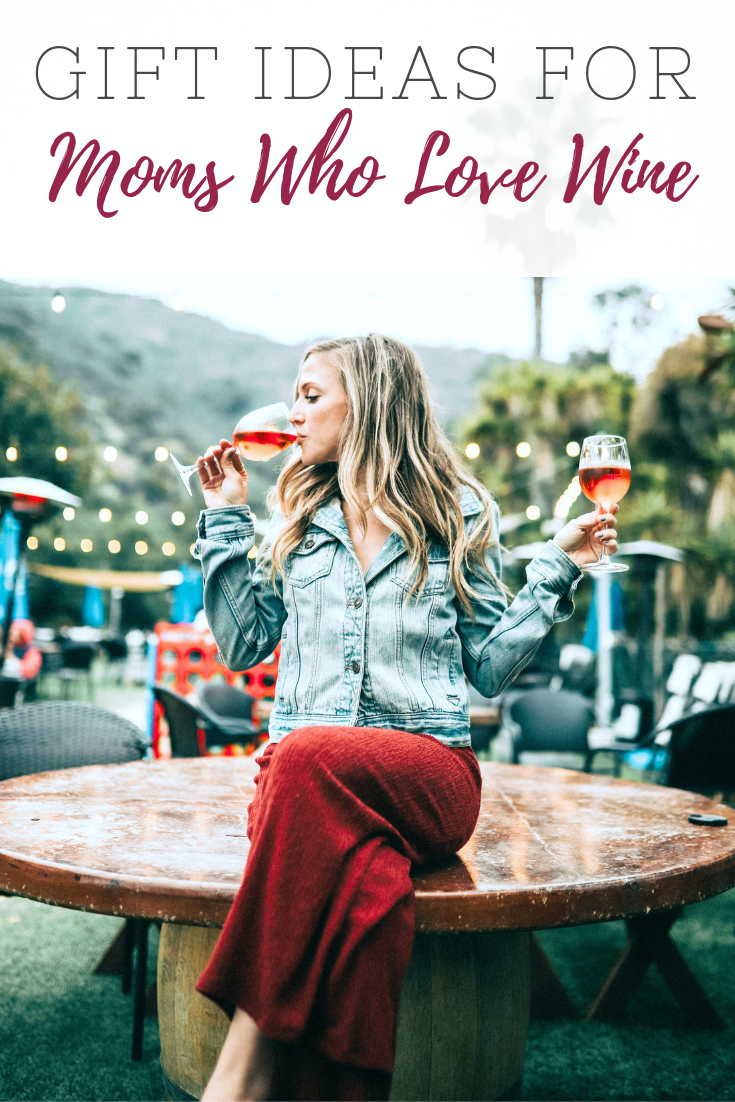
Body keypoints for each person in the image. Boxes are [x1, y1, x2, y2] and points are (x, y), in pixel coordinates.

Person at [193, 335, 618, 1102]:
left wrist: (555, 566)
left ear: (368, 401)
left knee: (300, 756)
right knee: (362, 885)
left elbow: (487, 665)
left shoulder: (456, 512)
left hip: (427, 773)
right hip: (307, 788)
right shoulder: (295, 514)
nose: (293, 411)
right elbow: (242, 644)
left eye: (310, 394)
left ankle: (240, 1071)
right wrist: (225, 518)